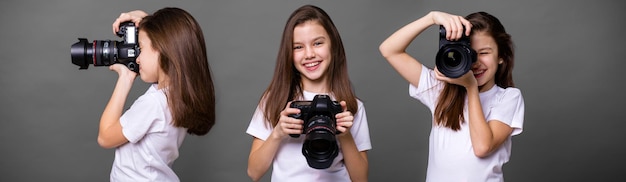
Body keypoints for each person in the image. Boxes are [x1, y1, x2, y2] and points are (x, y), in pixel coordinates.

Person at [379, 11, 524, 181]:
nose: (475, 62)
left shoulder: (508, 97)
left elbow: (483, 147)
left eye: (484, 53)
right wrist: (431, 18)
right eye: (469, 53)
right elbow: (389, 50)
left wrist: (471, 88)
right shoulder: (441, 90)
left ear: (501, 56)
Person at [246, 5, 371, 182]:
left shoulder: (351, 106)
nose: (309, 54)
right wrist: (278, 133)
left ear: (333, 45)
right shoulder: (275, 99)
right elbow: (254, 172)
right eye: (298, 47)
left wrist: (345, 135)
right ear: (289, 53)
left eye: (318, 43)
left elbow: (361, 179)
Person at [98, 7, 215, 181]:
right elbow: (169, 33)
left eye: (141, 48)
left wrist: (125, 79)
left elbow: (105, 137)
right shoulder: (180, 95)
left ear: (162, 50)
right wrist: (137, 17)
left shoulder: (153, 104)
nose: (136, 58)